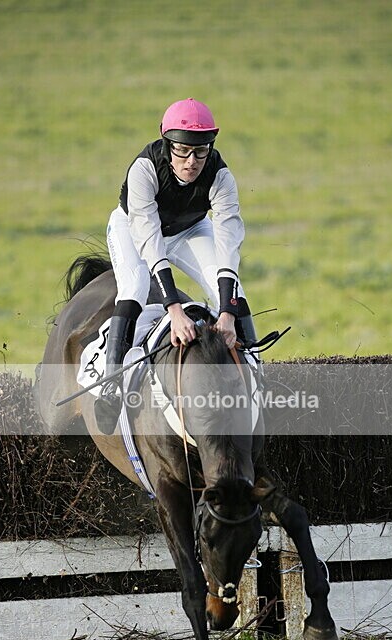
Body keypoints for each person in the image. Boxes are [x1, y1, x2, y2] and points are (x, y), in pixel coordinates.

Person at [94, 97, 257, 434]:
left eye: (201, 151)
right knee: (135, 288)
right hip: (135, 229)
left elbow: (229, 245)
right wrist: (175, 310)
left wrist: (227, 312)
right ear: (167, 142)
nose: (191, 161)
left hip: (189, 229)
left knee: (234, 293)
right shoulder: (144, 169)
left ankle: (257, 376)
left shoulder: (221, 176)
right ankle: (110, 386)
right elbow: (150, 243)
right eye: (182, 151)